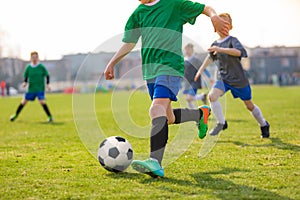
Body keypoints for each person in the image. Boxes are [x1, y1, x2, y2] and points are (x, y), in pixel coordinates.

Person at [104, 0, 229, 178]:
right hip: (150, 71)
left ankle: (155, 161)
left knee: (156, 109)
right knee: (167, 117)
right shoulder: (138, 13)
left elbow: (204, 8)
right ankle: (199, 115)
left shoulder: (173, 4)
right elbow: (129, 43)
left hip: (170, 67)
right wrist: (112, 63)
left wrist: (214, 16)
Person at [195, 13, 270, 138]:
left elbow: (239, 52)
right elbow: (210, 58)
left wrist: (220, 50)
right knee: (212, 96)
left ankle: (263, 124)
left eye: (226, 23)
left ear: (230, 26)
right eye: (220, 22)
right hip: (223, 78)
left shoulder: (232, 40)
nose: (222, 25)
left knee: (249, 105)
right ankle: (221, 122)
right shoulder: (215, 43)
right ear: (215, 26)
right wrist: (200, 70)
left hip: (238, 79)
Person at [10, 51, 53, 122]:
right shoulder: (28, 67)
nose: (34, 59)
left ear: (38, 58)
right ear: (30, 58)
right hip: (31, 89)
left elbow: (47, 75)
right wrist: (25, 82)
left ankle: (50, 116)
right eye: (33, 57)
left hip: (40, 88)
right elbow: (26, 76)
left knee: (42, 102)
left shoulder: (41, 67)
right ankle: (15, 115)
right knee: (23, 102)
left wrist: (48, 84)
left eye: (36, 57)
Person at [183, 43, 213, 108]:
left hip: (194, 81)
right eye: (186, 49)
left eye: (188, 49)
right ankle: (194, 113)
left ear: (191, 50)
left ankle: (202, 96)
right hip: (187, 82)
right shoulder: (184, 60)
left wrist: (210, 77)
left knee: (189, 98)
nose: (186, 51)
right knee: (188, 100)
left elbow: (203, 68)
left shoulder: (195, 60)